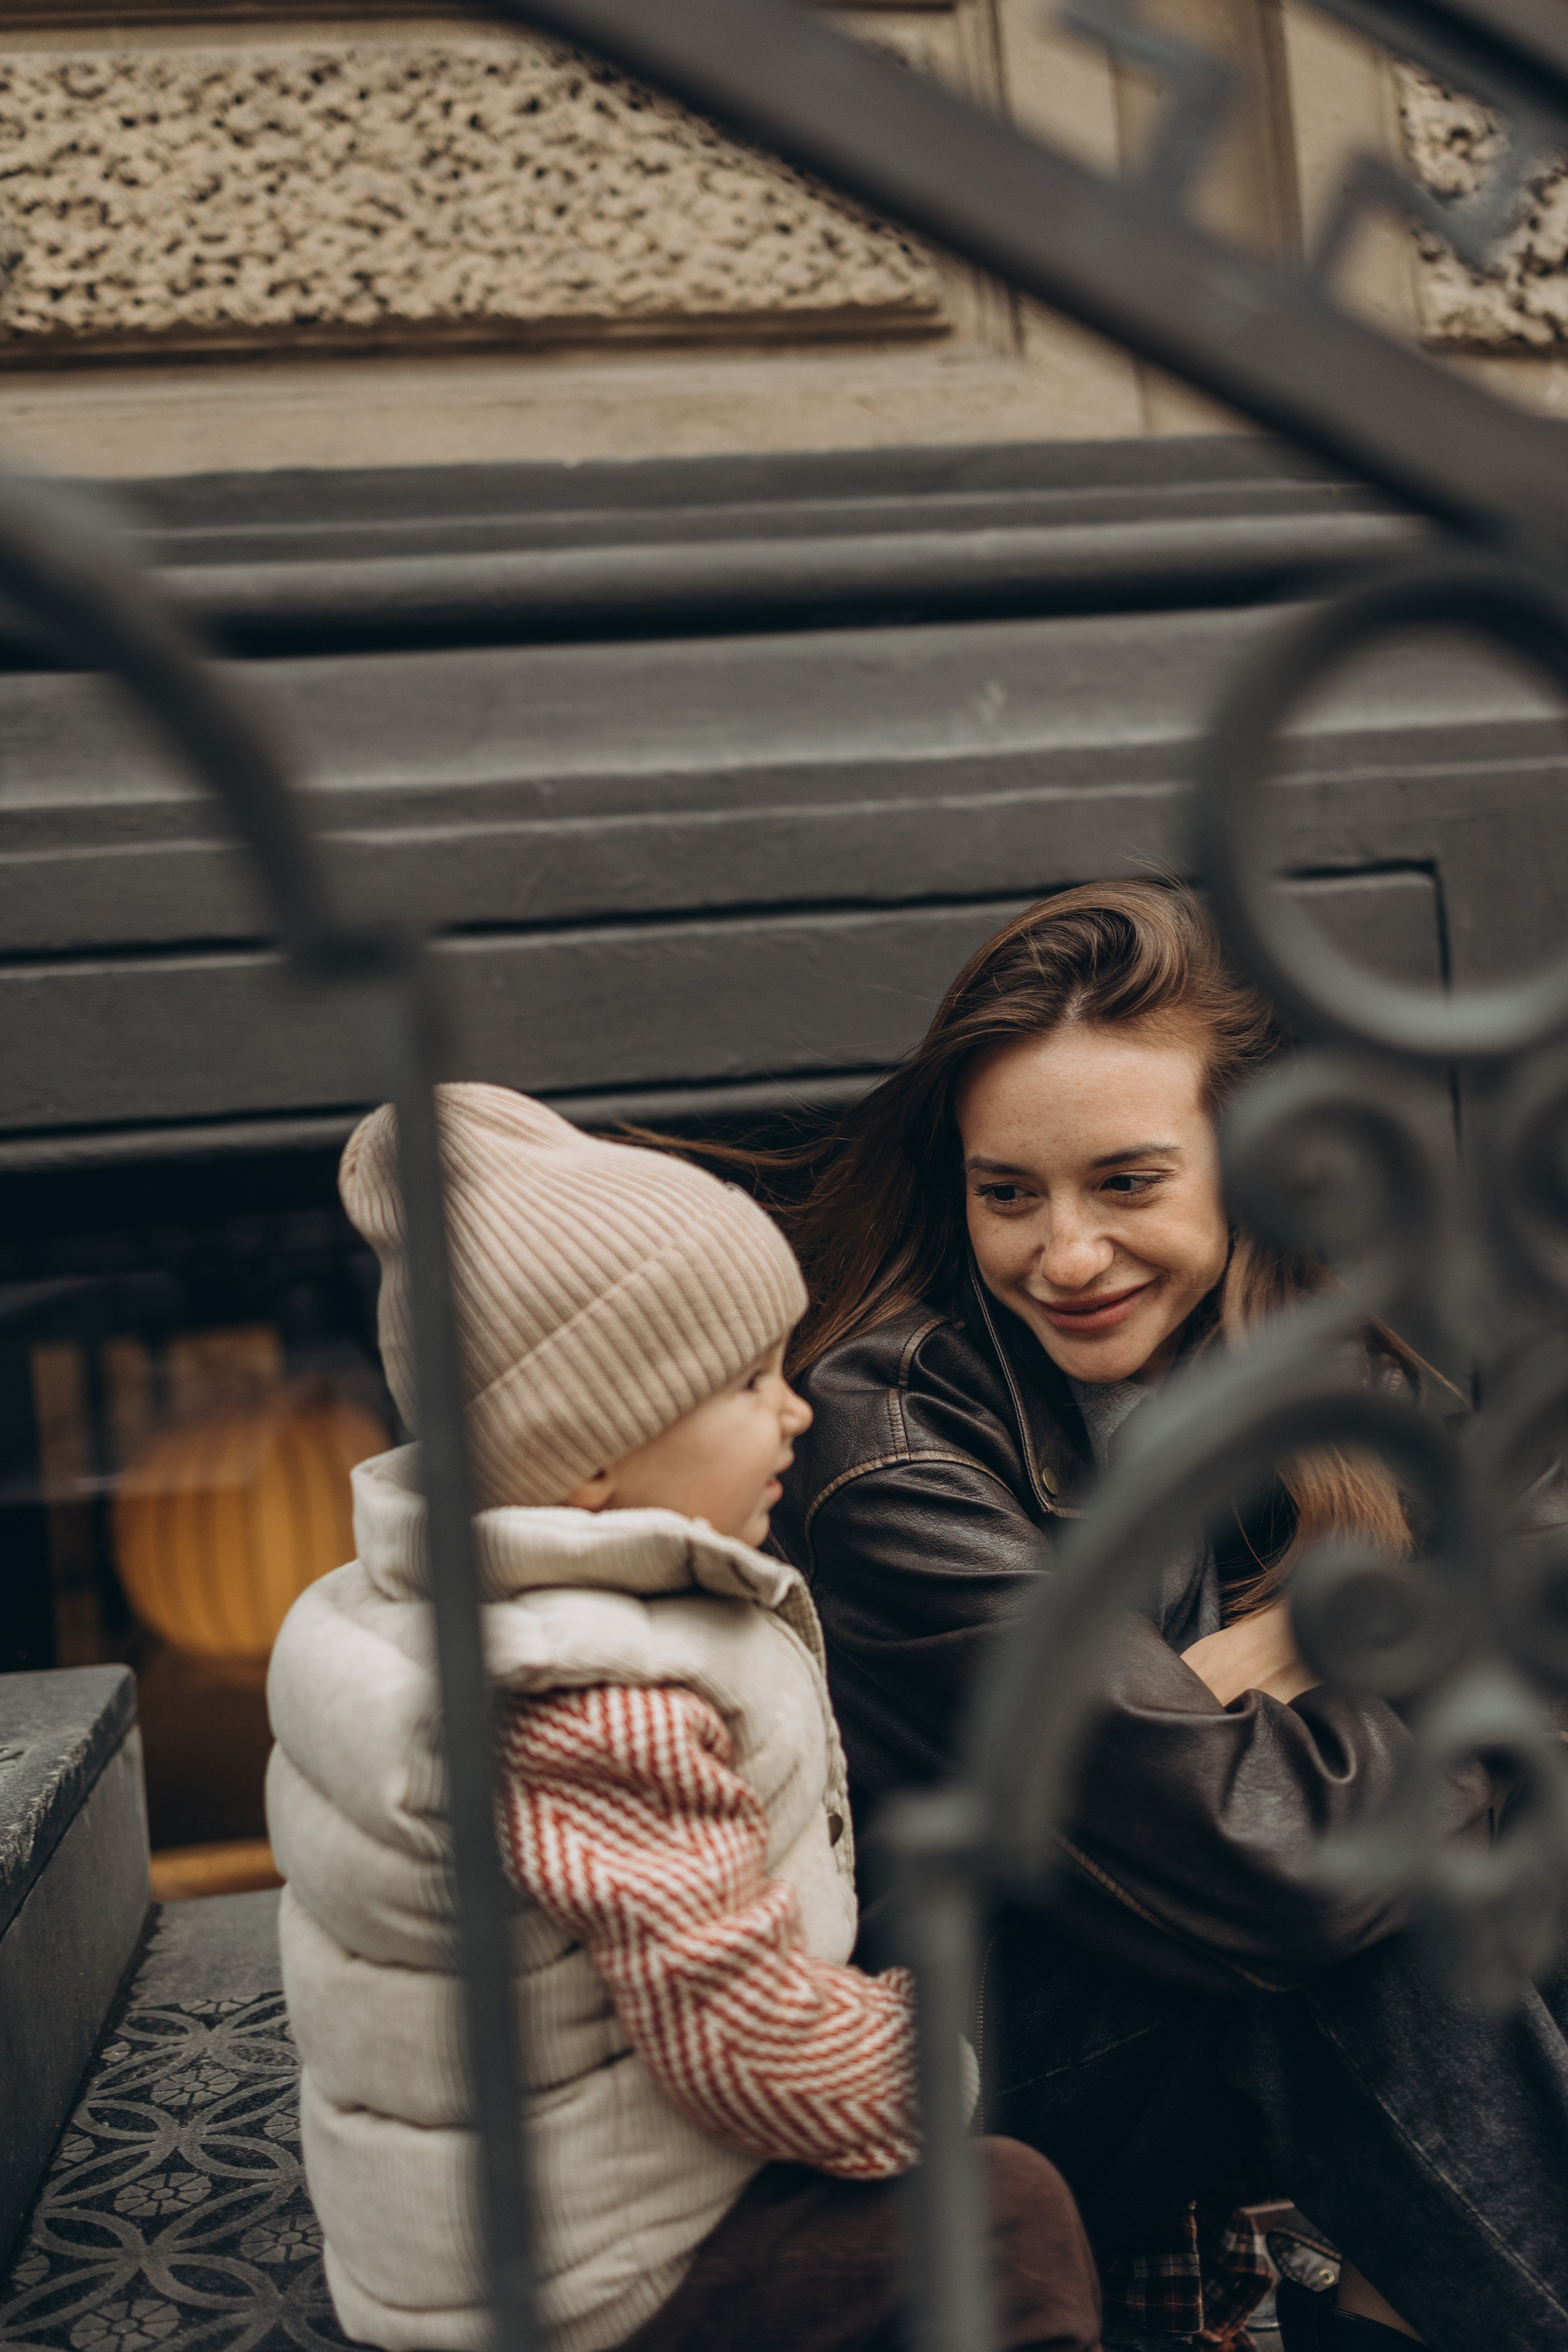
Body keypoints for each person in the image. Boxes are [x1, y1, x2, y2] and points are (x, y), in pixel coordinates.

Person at [764, 883, 1568, 2352]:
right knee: (1375, 1936)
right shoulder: (879, 1441)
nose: (1062, 1255)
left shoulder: (1312, 1351)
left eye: (1124, 1184)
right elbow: (1267, 1858)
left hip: (1203, 1957)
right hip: (972, 2042)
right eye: (1007, 1192)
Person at [265, 1082, 1103, 2352]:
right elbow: (740, 2045)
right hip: (589, 2283)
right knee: (1001, 2213)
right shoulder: (590, 1704)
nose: (798, 1410)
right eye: (748, 1382)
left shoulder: (420, 1599)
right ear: (588, 1451)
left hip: (499, 2225)